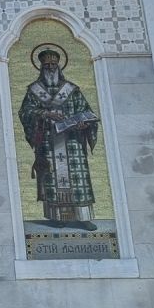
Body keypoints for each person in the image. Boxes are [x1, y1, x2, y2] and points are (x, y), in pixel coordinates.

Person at [18, 43, 100, 224]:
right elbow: (25, 112)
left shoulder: (72, 89)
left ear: (59, 66)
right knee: (53, 179)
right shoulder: (34, 90)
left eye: (53, 64)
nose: (50, 68)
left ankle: (83, 218)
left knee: (78, 179)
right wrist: (45, 113)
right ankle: (57, 218)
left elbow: (86, 111)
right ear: (41, 67)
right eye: (46, 65)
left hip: (73, 143)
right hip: (49, 141)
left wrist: (84, 123)